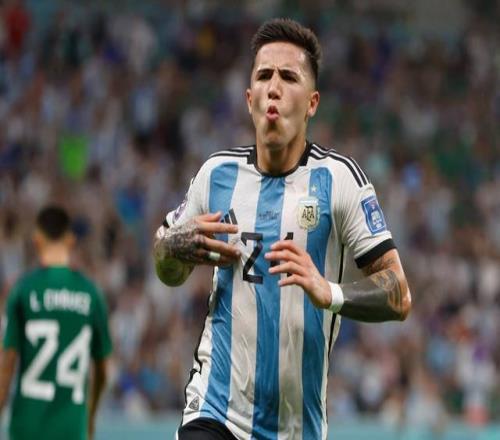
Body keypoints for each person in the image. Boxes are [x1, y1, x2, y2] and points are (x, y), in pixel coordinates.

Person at [153, 18, 412, 440]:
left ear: (312, 103)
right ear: (249, 98)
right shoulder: (215, 175)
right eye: (264, 76)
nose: (273, 87)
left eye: (288, 77)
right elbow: (166, 268)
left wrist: (329, 292)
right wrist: (171, 249)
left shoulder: (340, 180)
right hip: (215, 412)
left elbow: (399, 293)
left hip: (297, 428)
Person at [0, 205, 112, 440]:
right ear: (70, 240)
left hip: (26, 428)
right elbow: (102, 369)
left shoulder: (23, 290)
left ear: (37, 240)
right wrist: (90, 416)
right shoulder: (90, 294)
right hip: (71, 429)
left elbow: (8, 363)